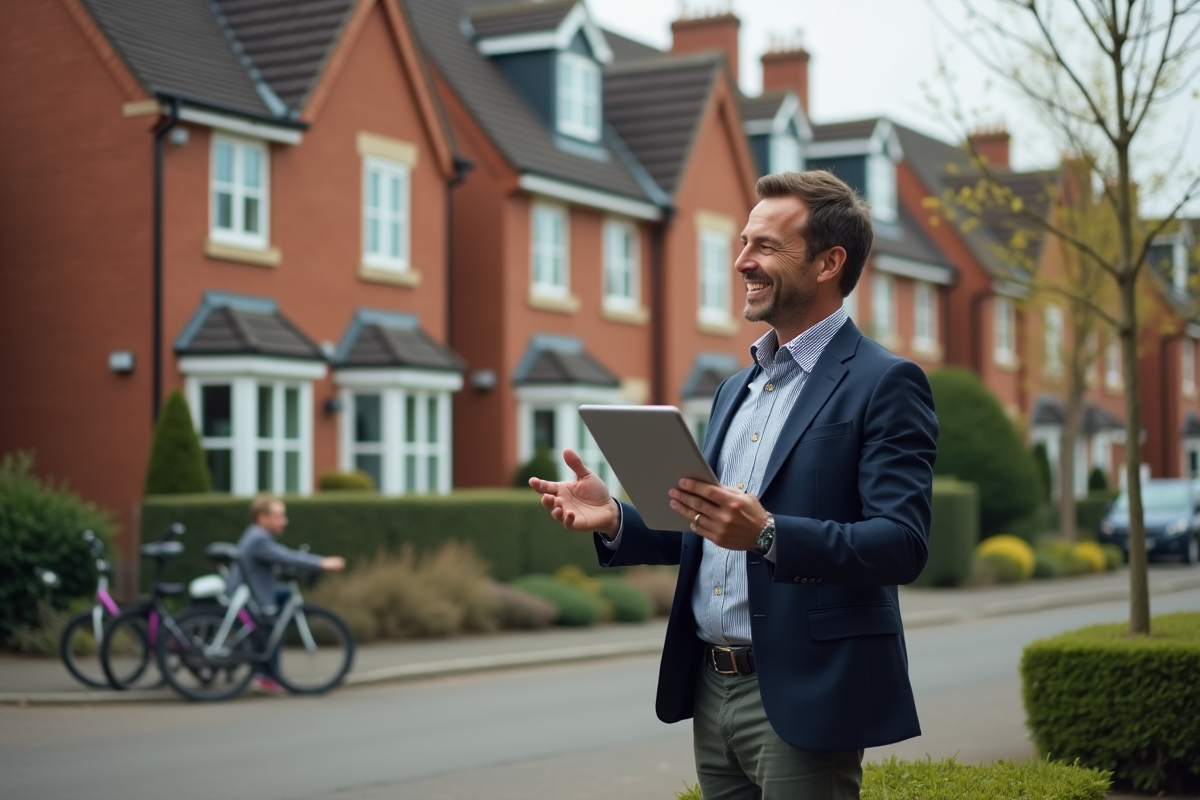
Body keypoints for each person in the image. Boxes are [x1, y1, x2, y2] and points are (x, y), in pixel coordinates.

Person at [529, 170, 938, 800]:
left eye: (766, 247)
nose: (742, 261)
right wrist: (615, 518)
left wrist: (771, 535)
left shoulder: (886, 382)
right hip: (709, 686)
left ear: (830, 262)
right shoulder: (734, 388)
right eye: (744, 243)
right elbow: (707, 529)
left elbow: (901, 543)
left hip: (805, 690)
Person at [225, 493, 345, 693]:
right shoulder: (258, 538)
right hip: (249, 596)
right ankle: (267, 674)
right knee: (272, 624)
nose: (285, 521)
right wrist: (321, 562)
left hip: (255, 591)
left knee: (283, 600)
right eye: (279, 516)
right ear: (263, 518)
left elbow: (274, 560)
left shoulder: (257, 535)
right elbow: (284, 556)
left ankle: (268, 670)